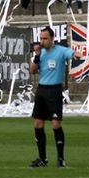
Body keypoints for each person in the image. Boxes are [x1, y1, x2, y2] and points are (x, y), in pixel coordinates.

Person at [29, 26, 78, 168]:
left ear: (52, 39)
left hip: (55, 90)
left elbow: (71, 53)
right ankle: (42, 159)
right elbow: (32, 71)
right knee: (38, 124)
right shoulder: (41, 53)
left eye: (45, 38)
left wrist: (75, 55)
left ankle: (61, 158)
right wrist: (37, 56)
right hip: (42, 90)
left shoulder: (61, 51)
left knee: (56, 124)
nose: (42, 41)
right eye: (41, 38)